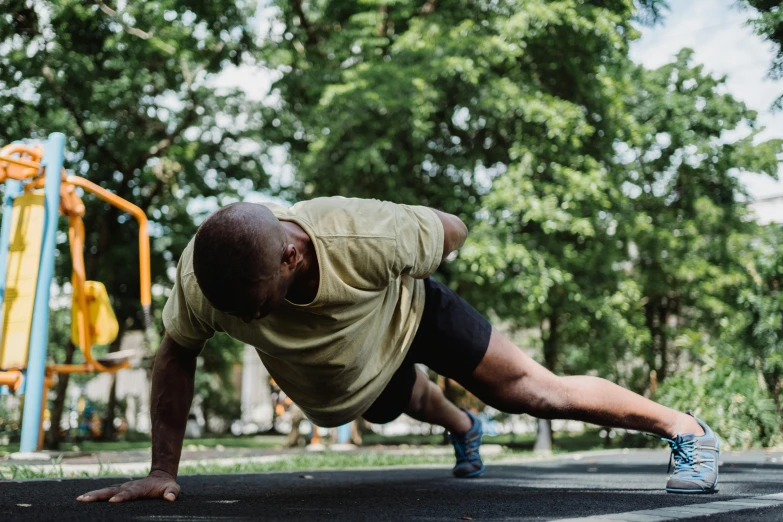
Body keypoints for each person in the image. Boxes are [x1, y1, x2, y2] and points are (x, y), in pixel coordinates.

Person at [76, 197, 719, 503]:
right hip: (351, 371)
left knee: (528, 390)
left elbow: (453, 228)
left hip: (409, 313)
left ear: (293, 255)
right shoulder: (202, 283)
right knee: (394, 402)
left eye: (256, 304)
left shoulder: (367, 235)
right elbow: (175, 355)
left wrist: (416, 243)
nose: (244, 320)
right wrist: (163, 469)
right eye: (233, 314)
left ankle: (685, 429)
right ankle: (466, 428)